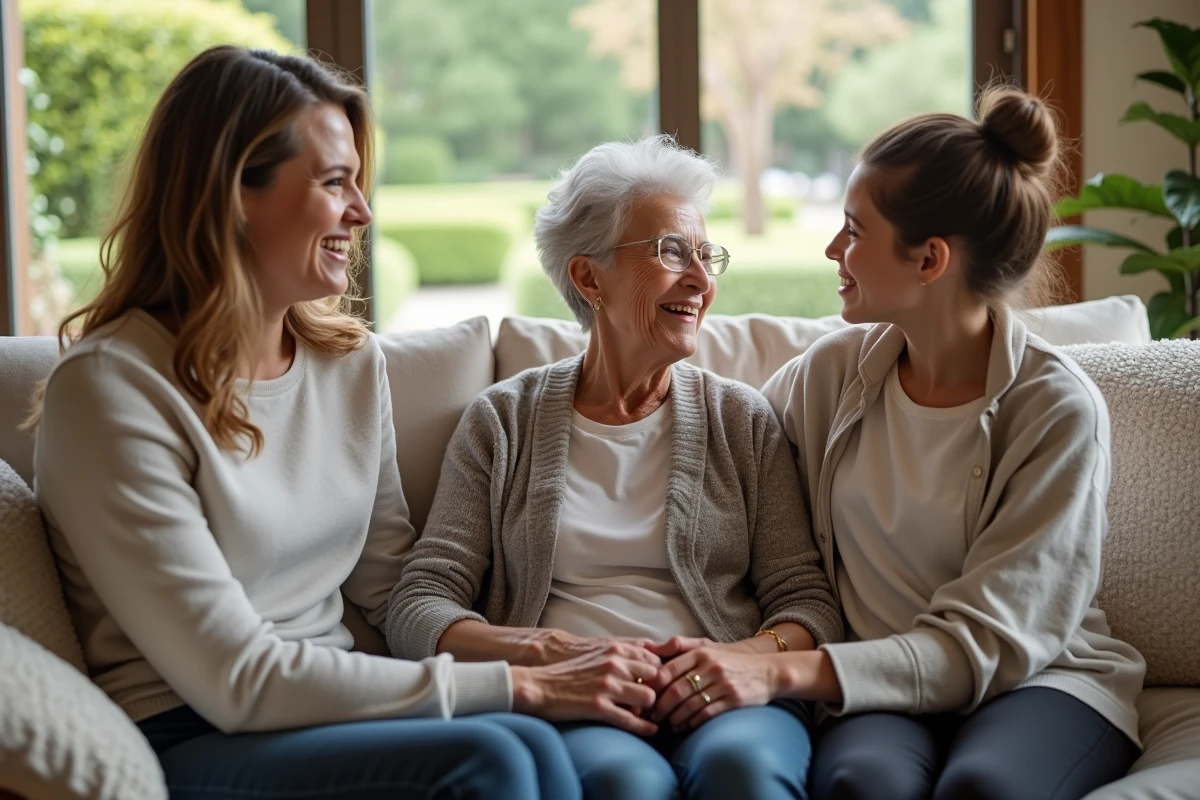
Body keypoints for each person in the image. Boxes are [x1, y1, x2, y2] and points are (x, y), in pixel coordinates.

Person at [28, 44, 630, 800]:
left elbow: (388, 586)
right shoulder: (113, 390)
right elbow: (235, 679)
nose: (363, 211)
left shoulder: (346, 364)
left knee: (537, 747)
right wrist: (515, 684)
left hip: (335, 709)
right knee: (498, 754)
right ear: (233, 193)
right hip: (191, 731)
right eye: (334, 182)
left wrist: (537, 649)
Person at [390, 134, 843, 800]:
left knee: (743, 772)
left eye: (704, 254)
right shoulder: (503, 422)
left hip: (724, 699)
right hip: (580, 703)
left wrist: (736, 660)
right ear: (588, 276)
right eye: (670, 251)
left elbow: (807, 600)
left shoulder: (741, 421)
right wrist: (549, 656)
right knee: (622, 779)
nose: (700, 278)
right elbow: (419, 602)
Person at [756, 86, 1146, 800]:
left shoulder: (1056, 410)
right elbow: (727, 446)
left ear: (929, 259)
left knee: (984, 790)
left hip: (1040, 675)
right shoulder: (828, 375)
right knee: (858, 782)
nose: (832, 249)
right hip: (881, 676)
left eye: (853, 230)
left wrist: (781, 670)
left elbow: (991, 642)